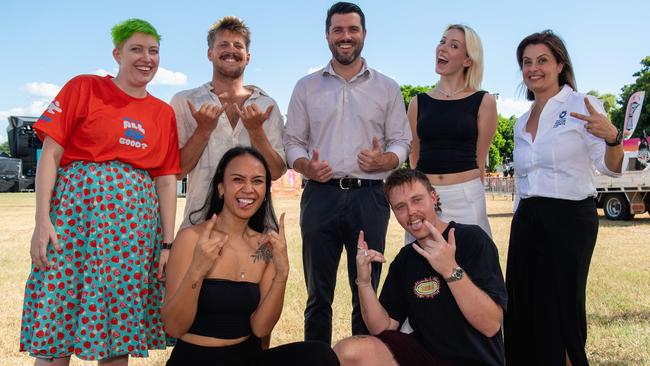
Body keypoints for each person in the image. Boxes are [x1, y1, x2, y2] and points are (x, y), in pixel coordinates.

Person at [20, 19, 179, 365]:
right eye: (136, 49)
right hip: (75, 222)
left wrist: (167, 244)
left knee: (115, 329)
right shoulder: (84, 87)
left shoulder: (163, 113)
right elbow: (51, 154)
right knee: (57, 316)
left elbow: (166, 180)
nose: (146, 58)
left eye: (153, 51)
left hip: (132, 234)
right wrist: (42, 221)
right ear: (117, 53)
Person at [283, 2, 412, 344]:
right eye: (338, 30)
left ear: (364, 35)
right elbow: (291, 142)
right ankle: (317, 359)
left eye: (352, 29)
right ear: (327, 35)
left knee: (366, 293)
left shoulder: (386, 87)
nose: (345, 36)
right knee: (317, 296)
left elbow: (402, 140)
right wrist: (304, 165)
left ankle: (363, 359)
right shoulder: (306, 87)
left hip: (369, 197)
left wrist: (385, 161)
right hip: (319, 197)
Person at [505, 30, 624, 366]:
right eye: (526, 63)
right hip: (527, 218)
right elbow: (524, 183)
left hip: (570, 219)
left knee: (560, 309)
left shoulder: (581, 105)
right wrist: (518, 219)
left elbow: (609, 168)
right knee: (522, 304)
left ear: (560, 64)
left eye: (542, 60)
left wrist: (614, 138)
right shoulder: (520, 121)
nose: (533, 68)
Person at [162, 147, 339, 366]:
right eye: (238, 179)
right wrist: (196, 271)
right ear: (221, 187)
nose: (248, 189)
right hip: (195, 358)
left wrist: (282, 274)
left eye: (257, 181)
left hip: (247, 356)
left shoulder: (264, 247)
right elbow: (173, 326)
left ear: (265, 190)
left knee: (320, 356)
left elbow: (261, 328)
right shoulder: (191, 238)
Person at [333, 169, 506, 365]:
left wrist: (450, 270)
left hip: (476, 360)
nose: (411, 212)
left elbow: (490, 325)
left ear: (433, 197)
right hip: (426, 357)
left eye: (417, 200)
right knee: (347, 352)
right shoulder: (406, 259)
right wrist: (363, 282)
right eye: (400, 207)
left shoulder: (471, 240)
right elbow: (383, 328)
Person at [171, 16, 286, 230]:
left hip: (257, 227)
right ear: (210, 53)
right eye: (223, 44)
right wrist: (203, 131)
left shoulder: (266, 104)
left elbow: (277, 171)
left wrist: (256, 131)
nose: (230, 50)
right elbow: (176, 172)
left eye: (238, 46)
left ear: (247, 57)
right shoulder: (185, 102)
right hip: (200, 224)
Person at [407, 24, 497, 238]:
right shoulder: (417, 103)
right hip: (425, 199)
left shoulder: (484, 101)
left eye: (454, 45)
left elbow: (480, 158)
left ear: (468, 60)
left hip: (466, 198)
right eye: (442, 41)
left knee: (472, 265)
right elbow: (414, 155)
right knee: (420, 268)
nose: (443, 48)